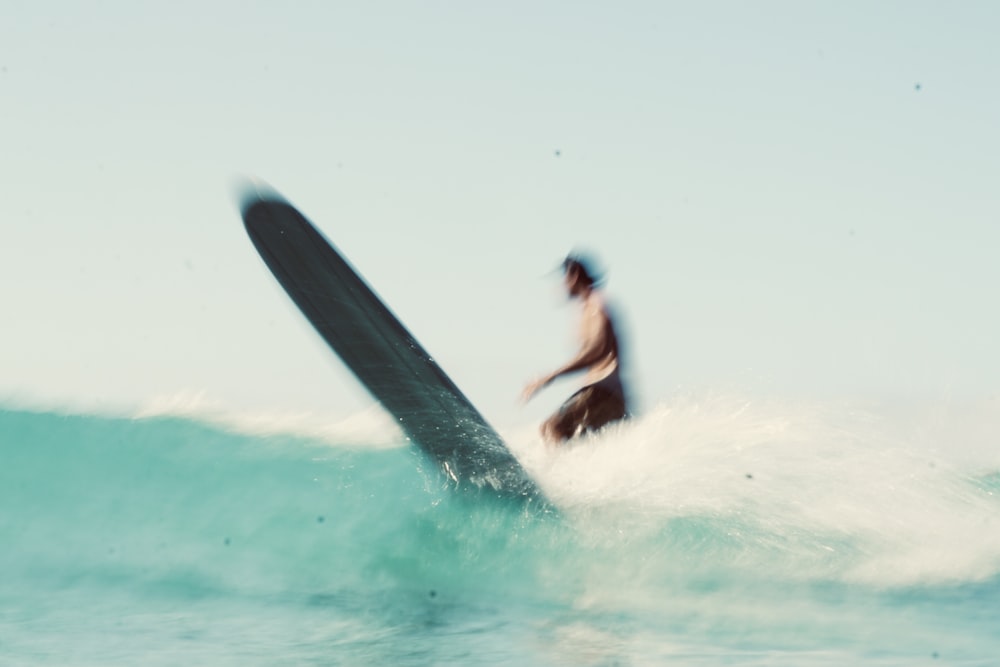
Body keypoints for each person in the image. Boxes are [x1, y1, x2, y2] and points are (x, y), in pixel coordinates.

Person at [522, 254, 629, 443]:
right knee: (550, 431)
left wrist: (551, 376)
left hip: (605, 393)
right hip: (600, 393)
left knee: (553, 427)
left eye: (564, 279)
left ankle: (555, 473)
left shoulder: (597, 305)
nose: (563, 285)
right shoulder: (586, 308)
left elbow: (598, 351)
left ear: (575, 275)